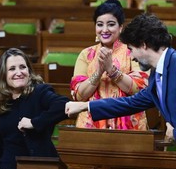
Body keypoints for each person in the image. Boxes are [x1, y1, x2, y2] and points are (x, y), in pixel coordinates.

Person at [65, 13, 175, 141]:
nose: (132, 57)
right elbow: (130, 103)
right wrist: (85, 106)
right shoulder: (156, 75)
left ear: (143, 44)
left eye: (131, 49)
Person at [0, 48, 70, 169]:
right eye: (12, 69)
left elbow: (63, 105)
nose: (19, 72)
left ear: (29, 71)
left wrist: (34, 122)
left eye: (23, 67)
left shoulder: (39, 92)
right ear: (4, 75)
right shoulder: (3, 101)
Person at [70, 0, 149, 130]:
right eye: (100, 24)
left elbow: (140, 88)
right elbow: (78, 95)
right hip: (92, 123)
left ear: (121, 27)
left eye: (111, 24)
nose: (104, 30)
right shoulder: (86, 54)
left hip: (129, 121)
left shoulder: (132, 51)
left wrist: (111, 70)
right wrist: (99, 72)